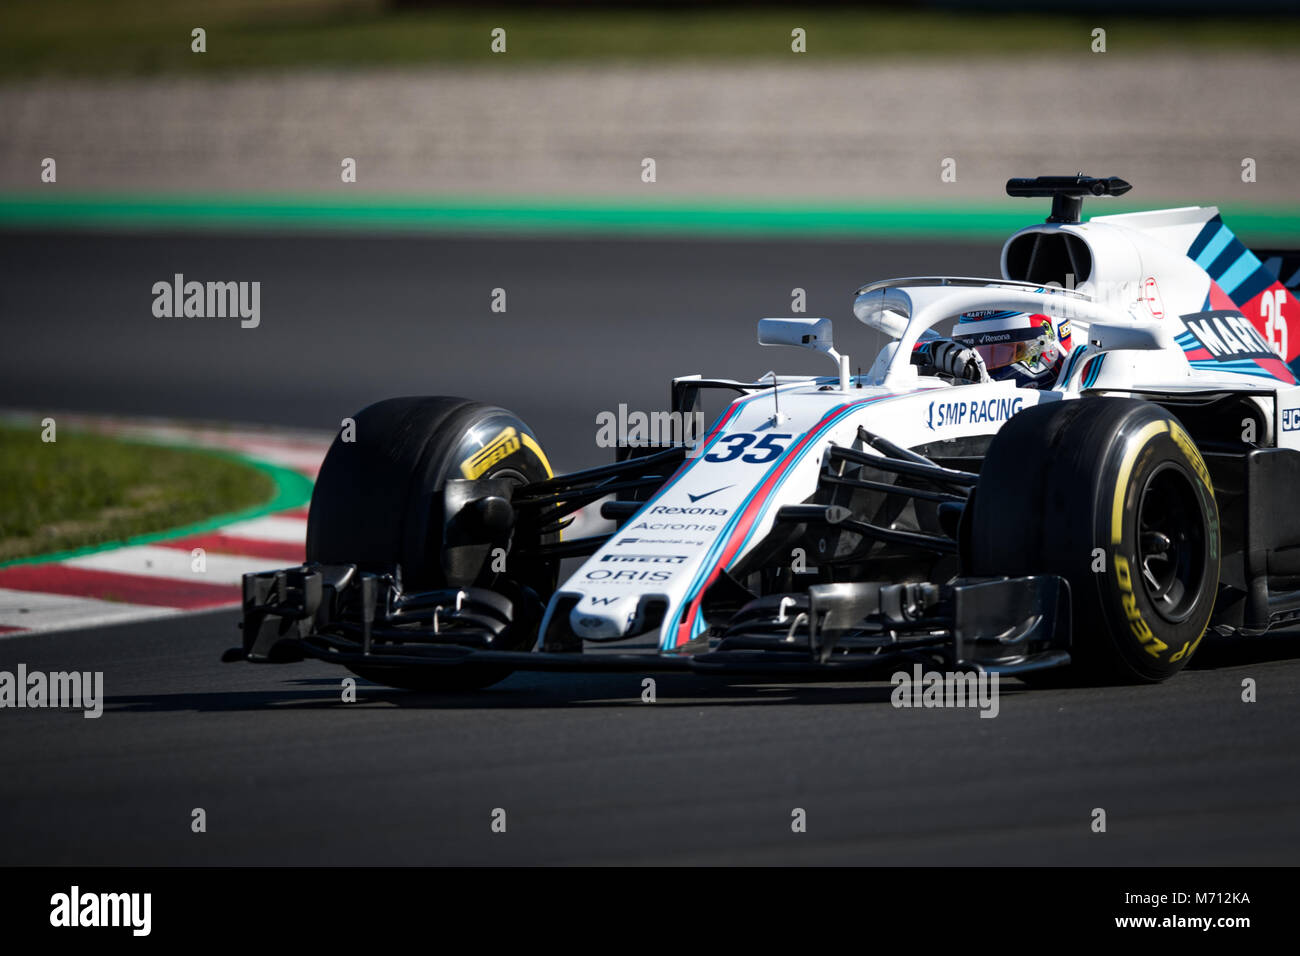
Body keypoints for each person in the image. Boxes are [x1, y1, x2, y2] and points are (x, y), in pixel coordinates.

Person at [911, 311, 1072, 389]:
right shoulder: (951, 354)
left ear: (1047, 349)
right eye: (978, 353)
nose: (980, 364)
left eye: (1001, 353)